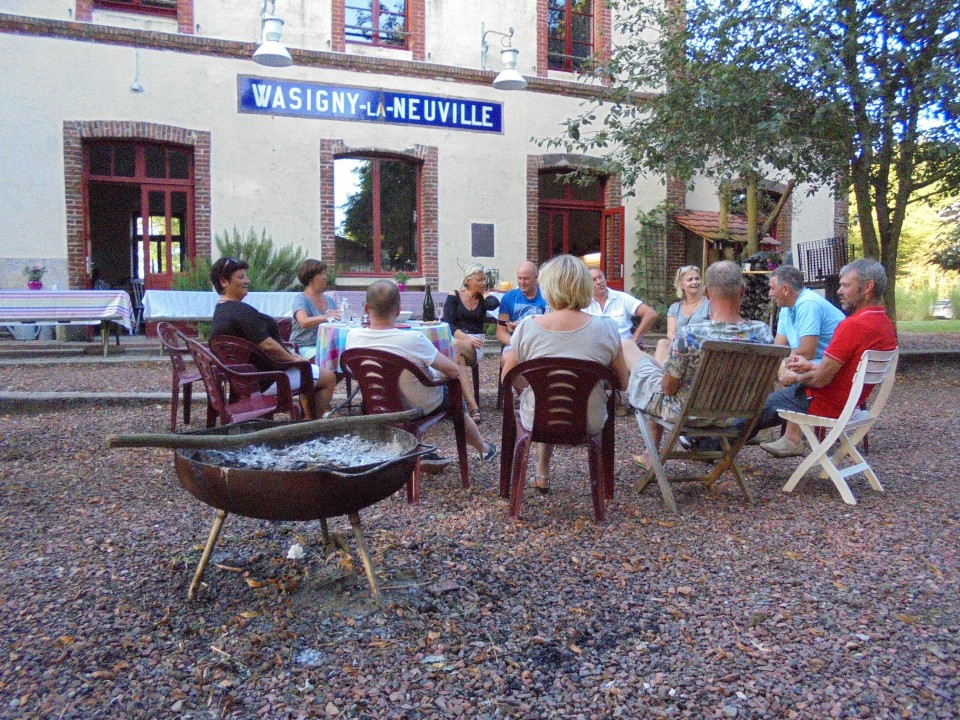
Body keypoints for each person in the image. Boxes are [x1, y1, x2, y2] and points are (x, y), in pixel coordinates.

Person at [624, 261, 774, 471]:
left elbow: (667, 389)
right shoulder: (763, 333)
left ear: (707, 293)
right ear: (742, 290)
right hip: (735, 415)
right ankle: (650, 455)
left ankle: (650, 453)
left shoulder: (691, 335)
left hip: (687, 412)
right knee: (656, 363)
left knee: (627, 347)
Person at [501, 255, 629, 494]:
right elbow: (622, 383)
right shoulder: (607, 328)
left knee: (544, 398)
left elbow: (508, 377)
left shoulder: (528, 327)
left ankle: (534, 477)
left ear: (548, 287)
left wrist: (531, 389)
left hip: (538, 417)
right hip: (588, 419)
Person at [755, 258, 898, 458]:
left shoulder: (853, 326)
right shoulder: (884, 323)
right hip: (847, 401)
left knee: (754, 411)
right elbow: (841, 369)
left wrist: (796, 377)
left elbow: (821, 378)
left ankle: (715, 439)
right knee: (759, 410)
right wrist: (808, 368)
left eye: (846, 285)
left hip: (823, 402)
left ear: (867, 287)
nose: (839, 290)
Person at [345, 280, 497, 464]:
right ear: (399, 310)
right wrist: (432, 371)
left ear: (366, 309)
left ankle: (417, 450)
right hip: (419, 407)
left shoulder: (352, 337)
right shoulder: (414, 339)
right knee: (453, 394)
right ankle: (483, 448)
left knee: (419, 382)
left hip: (376, 404)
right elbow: (453, 371)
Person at [209, 256, 336, 417]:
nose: (247, 280)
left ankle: (306, 420)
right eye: (240, 277)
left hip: (246, 380)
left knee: (315, 370)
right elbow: (267, 344)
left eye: (246, 276)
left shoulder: (221, 311)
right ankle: (310, 426)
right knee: (328, 377)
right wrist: (293, 360)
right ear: (224, 282)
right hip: (270, 379)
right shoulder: (241, 311)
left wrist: (289, 354)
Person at [762, 264, 846, 453]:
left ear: (785, 289)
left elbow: (807, 351)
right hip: (811, 360)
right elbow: (778, 347)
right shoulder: (786, 307)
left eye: (771, 288)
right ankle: (765, 430)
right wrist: (775, 363)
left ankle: (792, 439)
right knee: (767, 366)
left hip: (829, 363)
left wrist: (784, 363)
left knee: (792, 368)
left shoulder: (808, 303)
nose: (769, 293)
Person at [442, 263, 500, 421]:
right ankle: (473, 408)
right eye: (479, 280)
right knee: (458, 357)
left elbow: (494, 305)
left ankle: (452, 401)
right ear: (467, 281)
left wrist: (485, 293)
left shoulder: (483, 298)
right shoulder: (454, 295)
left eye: (484, 280)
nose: (482, 283)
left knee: (455, 349)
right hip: (459, 340)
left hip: (476, 345)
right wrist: (467, 338)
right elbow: (448, 323)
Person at [586, 268, 659, 346]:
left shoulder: (622, 298)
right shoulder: (584, 304)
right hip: (596, 351)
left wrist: (634, 340)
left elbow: (651, 314)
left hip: (623, 348)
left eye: (600, 277)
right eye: (594, 280)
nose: (599, 282)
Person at [655, 265, 711, 364]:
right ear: (681, 285)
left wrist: (692, 348)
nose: (694, 282)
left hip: (700, 350)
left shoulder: (709, 305)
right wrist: (682, 347)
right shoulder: (675, 308)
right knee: (663, 343)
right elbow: (671, 333)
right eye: (690, 280)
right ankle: (659, 377)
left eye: (697, 279)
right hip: (679, 348)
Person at [290, 259, 341, 360]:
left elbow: (338, 320)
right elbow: (303, 322)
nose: (325, 277)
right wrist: (327, 317)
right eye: (321, 274)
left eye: (325, 274)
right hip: (304, 347)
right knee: (332, 358)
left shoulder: (329, 300)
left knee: (346, 356)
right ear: (310, 279)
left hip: (326, 346)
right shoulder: (301, 299)